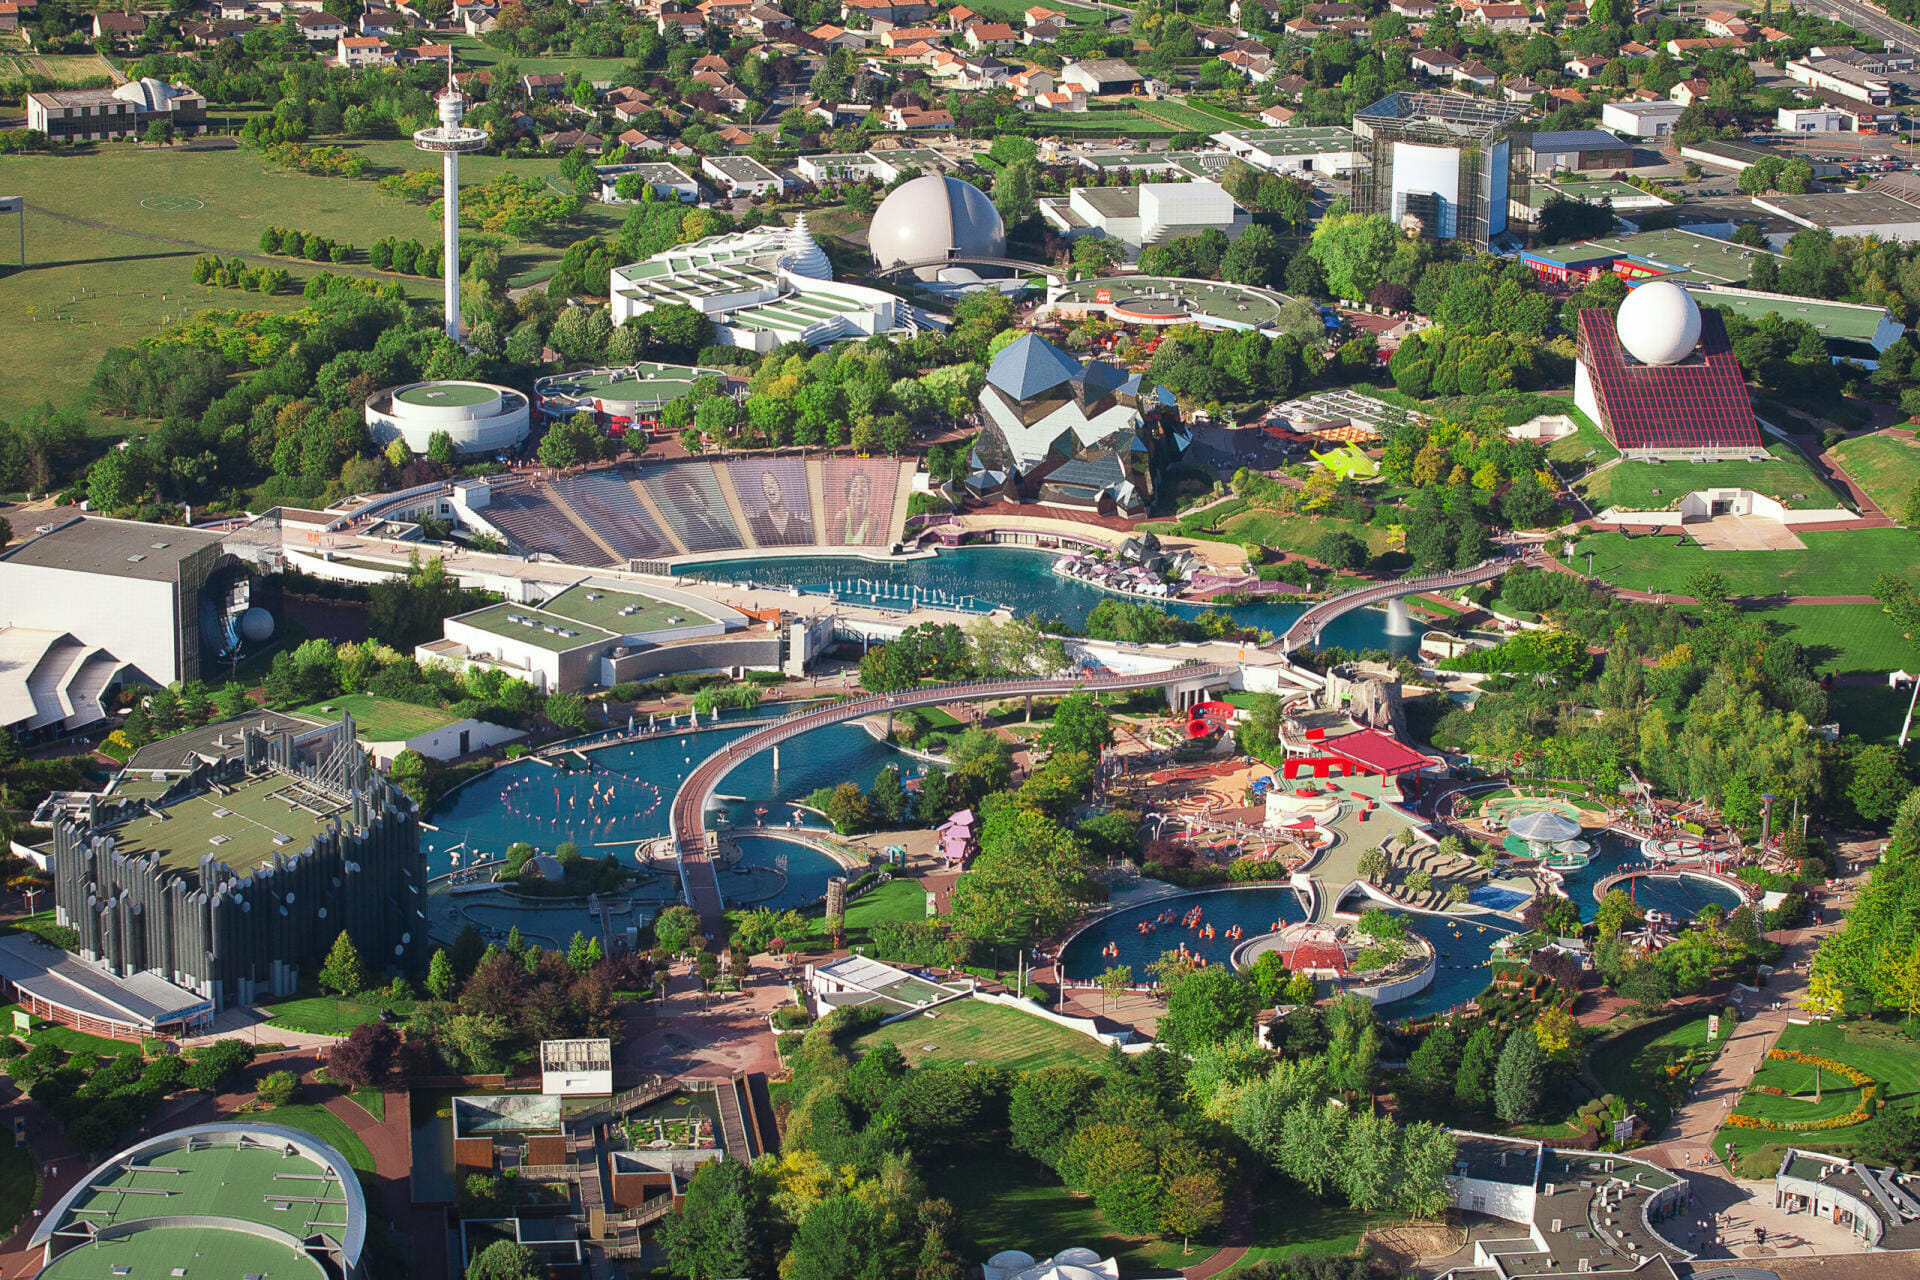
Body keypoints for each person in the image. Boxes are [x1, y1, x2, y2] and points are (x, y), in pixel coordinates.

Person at [744, 467, 812, 546]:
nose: (769, 487)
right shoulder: (759, 521)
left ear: (781, 490)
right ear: (764, 494)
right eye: (765, 485)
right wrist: (753, 524)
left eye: (773, 482)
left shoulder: (796, 520)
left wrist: (799, 525)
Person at [832, 467, 876, 544]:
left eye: (864, 486)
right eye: (855, 486)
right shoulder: (841, 518)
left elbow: (867, 550)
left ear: (868, 495)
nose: (860, 488)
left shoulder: (872, 520)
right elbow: (837, 549)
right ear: (848, 495)